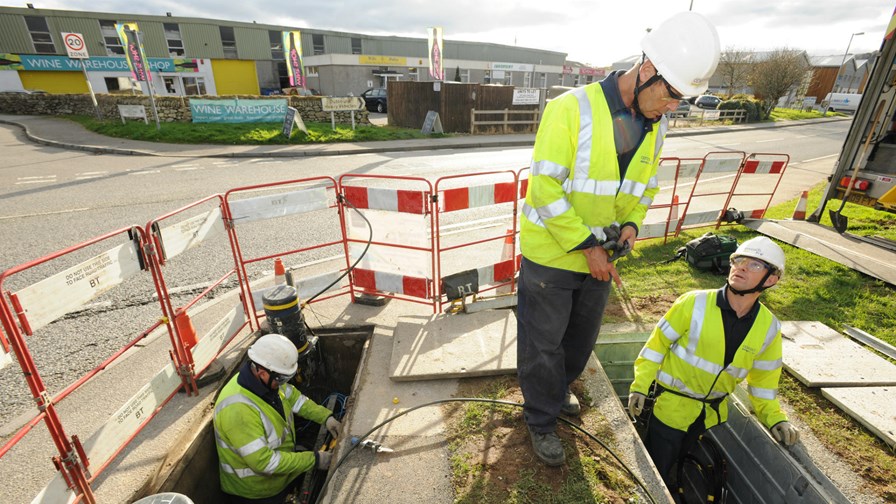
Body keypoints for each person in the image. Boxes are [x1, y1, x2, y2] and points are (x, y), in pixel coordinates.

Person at [516, 11, 721, 467]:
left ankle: (559, 390)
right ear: (648, 69)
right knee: (542, 345)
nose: (672, 109)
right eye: (670, 97)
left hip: (602, 257)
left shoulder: (657, 124)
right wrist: (586, 246)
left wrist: (630, 225)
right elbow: (544, 188)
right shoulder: (570, 109)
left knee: (578, 341)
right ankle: (541, 421)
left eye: (680, 103)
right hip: (553, 256)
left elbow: (642, 187)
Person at [628, 237, 800, 487]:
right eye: (738, 261)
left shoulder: (769, 327)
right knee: (656, 470)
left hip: (707, 416)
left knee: (677, 461)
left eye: (754, 265)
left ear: (771, 279)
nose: (740, 267)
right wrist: (640, 386)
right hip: (669, 410)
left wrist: (775, 418)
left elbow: (763, 383)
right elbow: (655, 347)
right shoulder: (693, 303)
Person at [213, 333, 342, 503]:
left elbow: (296, 399)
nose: (283, 383)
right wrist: (315, 459)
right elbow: (264, 463)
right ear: (261, 372)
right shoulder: (238, 410)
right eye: (281, 378)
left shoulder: (266, 383)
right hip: (256, 491)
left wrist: (326, 417)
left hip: (279, 477)